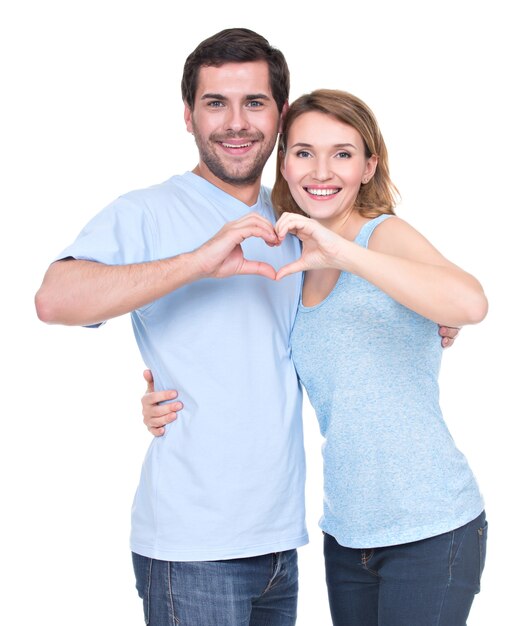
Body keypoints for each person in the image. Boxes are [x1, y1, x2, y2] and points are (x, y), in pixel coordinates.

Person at [142, 89, 487, 626]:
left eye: (343, 154)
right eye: (303, 152)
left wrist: (342, 250)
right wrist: (161, 397)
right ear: (283, 162)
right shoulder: (288, 257)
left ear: (369, 165)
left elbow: (470, 302)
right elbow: (249, 353)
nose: (321, 170)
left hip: (431, 523)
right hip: (347, 531)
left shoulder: (383, 234)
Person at [35, 28, 305, 626]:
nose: (236, 123)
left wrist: (434, 321)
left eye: (254, 102)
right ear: (188, 116)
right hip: (192, 547)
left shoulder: (296, 219)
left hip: (282, 537)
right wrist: (196, 263)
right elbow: (55, 299)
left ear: (280, 113)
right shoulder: (147, 211)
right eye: (216, 103)